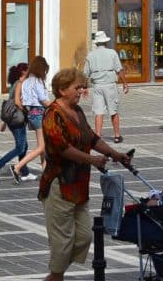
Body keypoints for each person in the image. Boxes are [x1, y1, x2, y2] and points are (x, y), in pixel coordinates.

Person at [37, 67, 135, 281]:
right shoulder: (53, 114)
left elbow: (91, 138)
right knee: (62, 243)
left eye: (82, 86)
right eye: (77, 87)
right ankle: (55, 276)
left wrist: (115, 154)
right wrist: (92, 160)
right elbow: (63, 148)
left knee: (84, 236)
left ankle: (56, 273)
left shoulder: (77, 112)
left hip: (78, 186)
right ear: (62, 90)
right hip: (59, 185)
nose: (81, 90)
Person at [11, 55, 53, 183]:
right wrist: (58, 106)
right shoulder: (37, 81)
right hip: (40, 113)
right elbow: (43, 100)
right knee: (42, 146)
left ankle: (46, 172)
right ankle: (18, 167)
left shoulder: (26, 81)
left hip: (31, 114)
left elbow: (23, 101)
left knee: (43, 147)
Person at [83, 31, 128, 143]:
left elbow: (85, 74)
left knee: (99, 112)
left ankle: (98, 136)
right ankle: (117, 135)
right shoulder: (112, 53)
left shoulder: (90, 55)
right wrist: (125, 83)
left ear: (97, 43)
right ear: (105, 42)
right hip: (110, 85)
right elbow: (119, 69)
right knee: (113, 110)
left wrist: (84, 87)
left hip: (97, 85)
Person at [0, 62, 31, 182]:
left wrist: (4, 122)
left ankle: (24, 172)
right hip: (17, 119)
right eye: (28, 70)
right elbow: (17, 103)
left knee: (24, 146)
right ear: (23, 72)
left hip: (12, 119)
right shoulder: (20, 83)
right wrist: (28, 112)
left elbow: (9, 104)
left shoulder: (16, 84)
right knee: (20, 148)